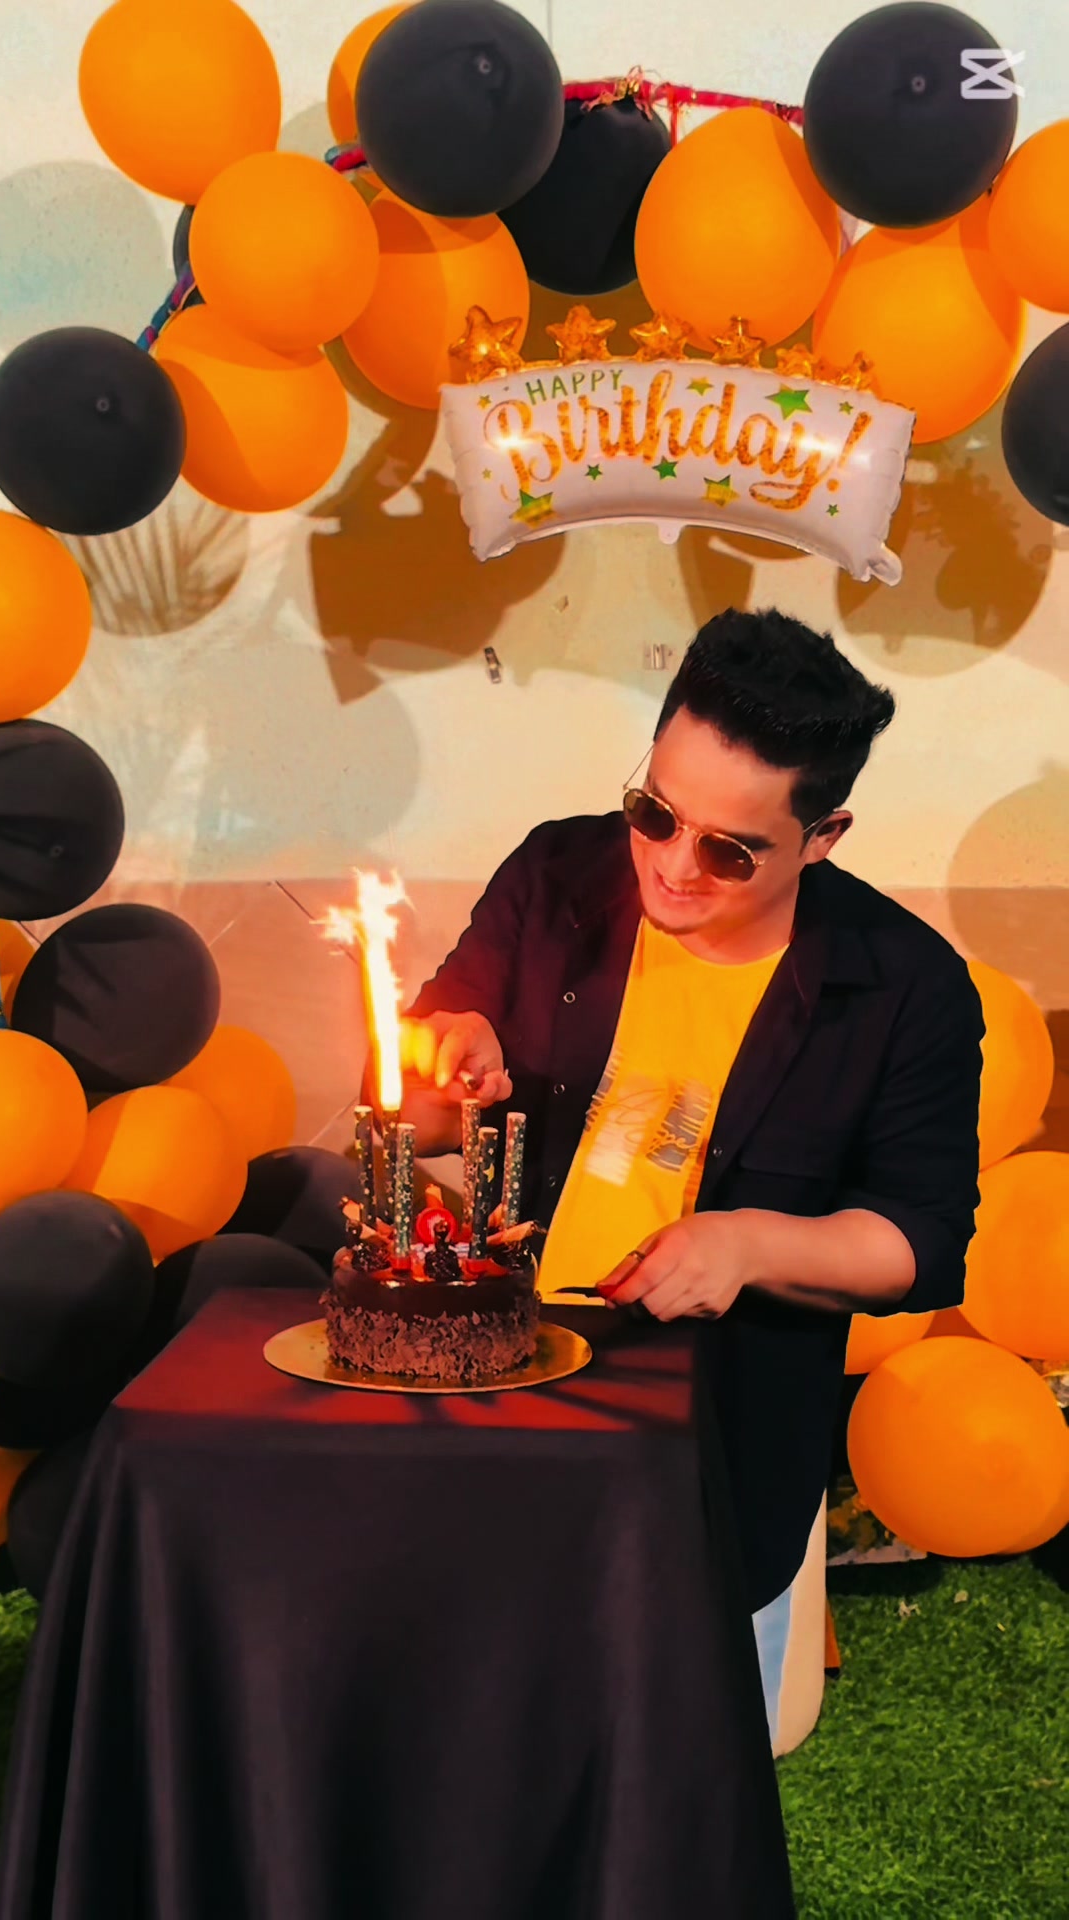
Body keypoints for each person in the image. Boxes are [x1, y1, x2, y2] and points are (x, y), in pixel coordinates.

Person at [392, 608, 984, 1737]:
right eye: (655, 814)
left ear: (823, 836)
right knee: (472, 1742)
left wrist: (746, 1245)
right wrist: (448, 1053)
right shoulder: (558, 873)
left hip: (713, 1448)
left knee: (678, 1775)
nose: (671, 867)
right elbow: (422, 1094)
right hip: (498, 1394)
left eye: (729, 850)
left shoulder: (905, 986)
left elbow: (918, 1241)